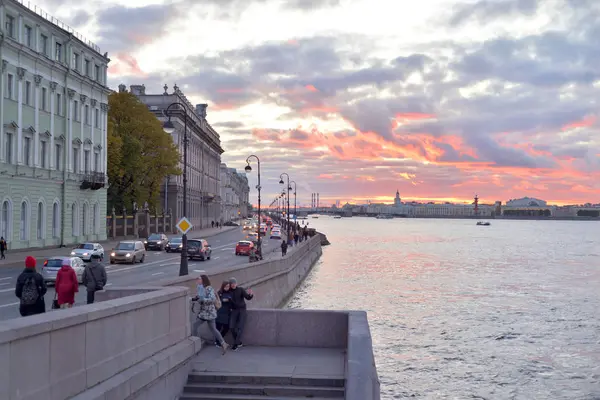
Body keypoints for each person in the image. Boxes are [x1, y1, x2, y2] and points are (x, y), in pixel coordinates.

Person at [192, 275, 229, 353]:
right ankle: (223, 343)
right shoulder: (200, 288)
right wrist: (196, 298)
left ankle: (196, 342)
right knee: (213, 329)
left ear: (203, 280)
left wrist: (202, 299)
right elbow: (200, 298)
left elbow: (212, 299)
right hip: (207, 313)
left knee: (195, 326)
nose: (198, 281)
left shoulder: (209, 288)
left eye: (199, 279)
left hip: (207, 313)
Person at [228, 277, 253, 351]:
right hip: (234, 311)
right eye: (231, 283)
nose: (233, 285)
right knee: (231, 327)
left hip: (242, 310)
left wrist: (250, 294)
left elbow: (248, 297)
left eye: (234, 283)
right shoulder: (228, 292)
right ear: (230, 284)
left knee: (240, 328)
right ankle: (238, 342)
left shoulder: (241, 289)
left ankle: (235, 344)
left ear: (236, 283)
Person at [214, 280, 233, 347]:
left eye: (228, 286)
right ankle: (217, 342)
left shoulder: (230, 293)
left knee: (226, 327)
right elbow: (216, 300)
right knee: (218, 328)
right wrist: (222, 300)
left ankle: (220, 340)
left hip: (227, 313)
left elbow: (232, 301)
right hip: (220, 312)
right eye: (226, 286)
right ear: (223, 286)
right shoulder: (219, 292)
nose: (227, 288)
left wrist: (230, 300)